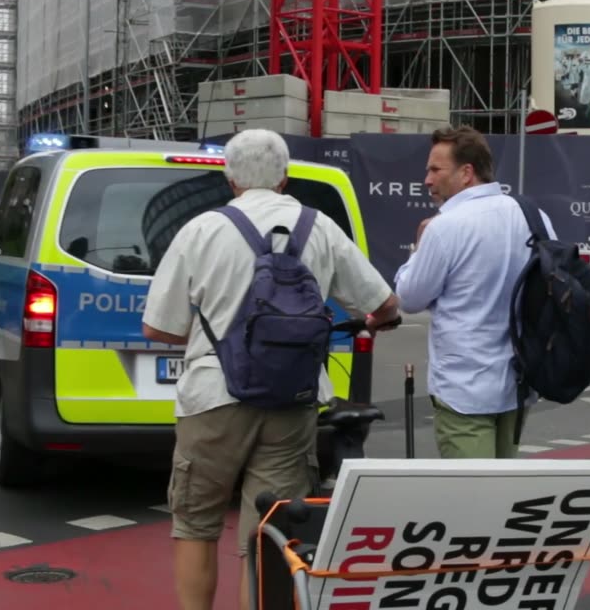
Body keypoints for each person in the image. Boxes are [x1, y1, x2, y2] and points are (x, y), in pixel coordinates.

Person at [141, 128, 400, 610]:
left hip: (212, 397)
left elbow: (160, 330)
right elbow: (385, 304)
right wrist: (366, 321)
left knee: (195, 523)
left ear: (229, 177)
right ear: (285, 177)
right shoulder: (318, 226)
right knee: (269, 532)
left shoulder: (202, 229)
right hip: (294, 399)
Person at [394, 124, 556, 460]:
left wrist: (417, 248)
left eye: (435, 169)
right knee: (500, 494)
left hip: (464, 388)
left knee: (471, 499)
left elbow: (410, 298)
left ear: (467, 173)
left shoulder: (445, 227)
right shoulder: (532, 216)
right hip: (518, 380)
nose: (427, 179)